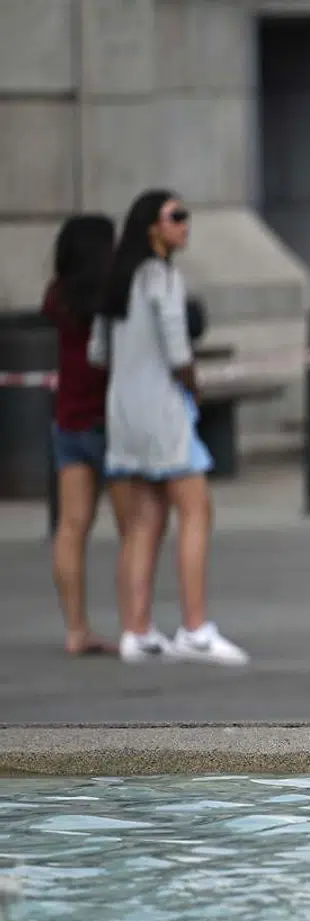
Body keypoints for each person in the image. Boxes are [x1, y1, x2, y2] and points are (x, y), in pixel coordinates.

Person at [89, 189, 248, 665]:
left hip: (123, 411)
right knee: (196, 509)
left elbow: (98, 353)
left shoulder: (116, 283)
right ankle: (195, 626)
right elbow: (178, 351)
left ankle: (136, 630)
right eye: (175, 216)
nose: (184, 224)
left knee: (143, 520)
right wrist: (191, 384)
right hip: (163, 410)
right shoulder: (161, 277)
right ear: (151, 227)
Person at [45, 214, 121, 657]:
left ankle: (76, 627)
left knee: (71, 527)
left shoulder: (58, 297)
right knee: (136, 528)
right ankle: (138, 625)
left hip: (68, 420)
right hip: (109, 420)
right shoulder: (109, 298)